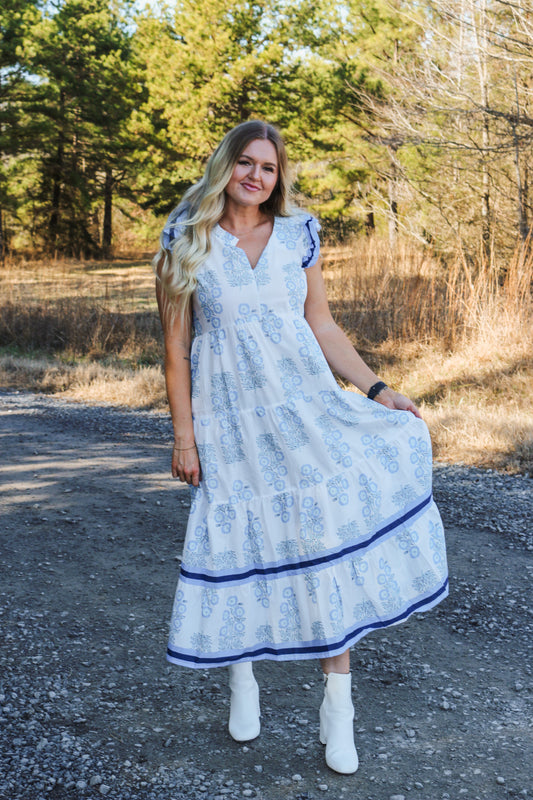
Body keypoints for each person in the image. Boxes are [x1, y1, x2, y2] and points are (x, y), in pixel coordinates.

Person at [154, 120, 448, 775]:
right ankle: (242, 677)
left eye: (268, 167)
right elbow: (175, 348)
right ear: (225, 165)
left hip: (305, 411)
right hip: (227, 421)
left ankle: (336, 711)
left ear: (278, 176)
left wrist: (375, 390)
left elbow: (320, 325)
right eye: (246, 163)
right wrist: (183, 435)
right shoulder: (184, 240)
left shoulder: (298, 235)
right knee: (241, 540)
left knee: (319, 542)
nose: (257, 176)